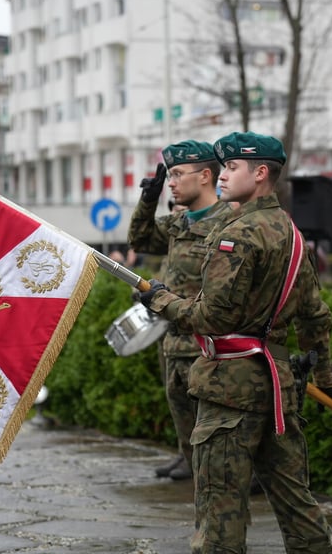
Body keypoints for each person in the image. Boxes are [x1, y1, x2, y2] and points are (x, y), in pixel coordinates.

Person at [138, 131, 332, 553]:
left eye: (231, 168)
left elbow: (210, 317)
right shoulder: (292, 234)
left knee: (219, 515)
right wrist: (327, 380)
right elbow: (315, 317)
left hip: (229, 390)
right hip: (277, 386)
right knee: (297, 506)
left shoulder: (237, 234)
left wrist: (161, 300)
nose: (221, 177)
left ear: (261, 174)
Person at [128, 139, 232, 481]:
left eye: (176, 174)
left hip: (208, 347)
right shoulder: (180, 223)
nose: (171, 182)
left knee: (215, 436)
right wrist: (148, 198)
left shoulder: (229, 222)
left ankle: (226, 481)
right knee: (182, 417)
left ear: (205, 176)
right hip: (174, 340)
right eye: (169, 176)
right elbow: (140, 240)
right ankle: (188, 463)